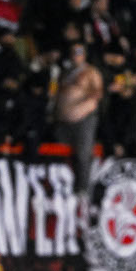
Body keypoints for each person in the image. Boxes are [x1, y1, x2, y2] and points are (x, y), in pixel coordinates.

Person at [54, 43, 103, 195]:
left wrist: (82, 107)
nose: (76, 56)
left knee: (83, 154)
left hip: (84, 119)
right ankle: (63, 187)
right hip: (63, 121)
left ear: (84, 55)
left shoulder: (91, 72)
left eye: (79, 53)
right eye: (74, 52)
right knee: (61, 153)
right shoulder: (65, 72)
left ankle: (82, 190)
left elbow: (97, 94)